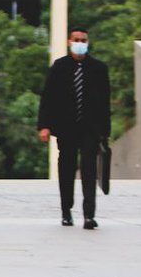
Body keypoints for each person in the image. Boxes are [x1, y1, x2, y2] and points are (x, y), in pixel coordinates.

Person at [37, 28, 111, 229]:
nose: (80, 43)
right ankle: (66, 211)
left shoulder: (98, 68)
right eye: (76, 40)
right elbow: (48, 98)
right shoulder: (59, 67)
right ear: (69, 42)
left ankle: (89, 214)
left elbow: (105, 102)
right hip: (66, 127)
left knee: (89, 170)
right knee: (66, 169)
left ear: (88, 42)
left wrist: (105, 132)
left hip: (90, 128)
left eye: (83, 40)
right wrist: (44, 126)